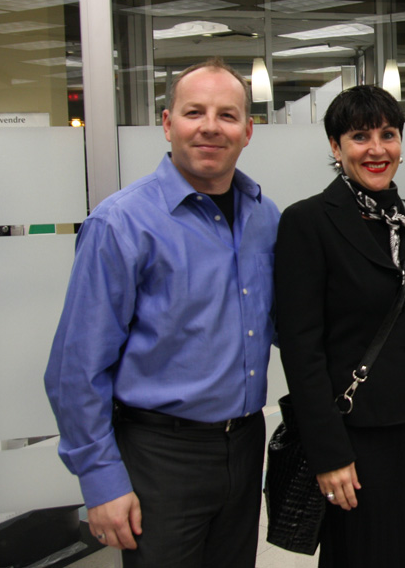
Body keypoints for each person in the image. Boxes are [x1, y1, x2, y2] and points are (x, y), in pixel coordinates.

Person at [44, 58, 279, 567]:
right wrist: (101, 480)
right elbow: (76, 370)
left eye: (227, 115)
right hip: (160, 453)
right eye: (195, 112)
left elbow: (286, 322)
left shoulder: (265, 216)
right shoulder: (121, 224)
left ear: (248, 131)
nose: (211, 127)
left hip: (243, 444)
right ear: (168, 123)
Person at [274, 85, 405, 567]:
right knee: (361, 555)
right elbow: (300, 349)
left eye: (388, 134)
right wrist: (327, 452)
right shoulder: (307, 222)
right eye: (359, 136)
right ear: (335, 146)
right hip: (356, 436)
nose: (376, 149)